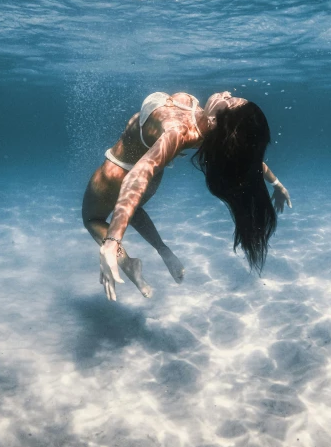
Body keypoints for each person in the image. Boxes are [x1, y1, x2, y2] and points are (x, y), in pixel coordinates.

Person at [82, 91, 292, 301]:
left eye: (228, 101)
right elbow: (245, 157)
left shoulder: (179, 132)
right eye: (231, 96)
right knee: (133, 209)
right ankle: (164, 251)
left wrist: (112, 240)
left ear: (213, 120)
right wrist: (277, 184)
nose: (227, 93)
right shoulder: (209, 133)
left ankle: (127, 263)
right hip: (151, 179)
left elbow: (138, 175)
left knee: (92, 219)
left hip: (117, 174)